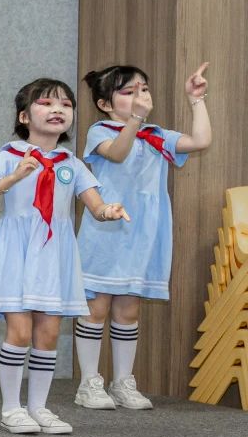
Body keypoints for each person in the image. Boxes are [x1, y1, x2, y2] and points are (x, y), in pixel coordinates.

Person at [0, 78, 128, 434]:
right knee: (20, 330)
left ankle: (39, 407)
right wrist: (13, 178)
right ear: (24, 116)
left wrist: (110, 211)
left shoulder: (71, 163)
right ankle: (11, 409)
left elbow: (96, 205)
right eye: (46, 103)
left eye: (66, 105)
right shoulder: (9, 156)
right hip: (17, 252)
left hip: (55, 255)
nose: (58, 110)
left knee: (49, 332)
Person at [73, 63, 211, 410]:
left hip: (145, 234)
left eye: (144, 89)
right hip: (106, 232)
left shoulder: (157, 135)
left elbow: (201, 141)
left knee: (129, 309)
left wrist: (196, 100)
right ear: (105, 104)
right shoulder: (100, 131)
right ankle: (89, 382)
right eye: (129, 91)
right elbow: (118, 153)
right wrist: (134, 120)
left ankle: (123, 382)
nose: (140, 96)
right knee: (96, 306)